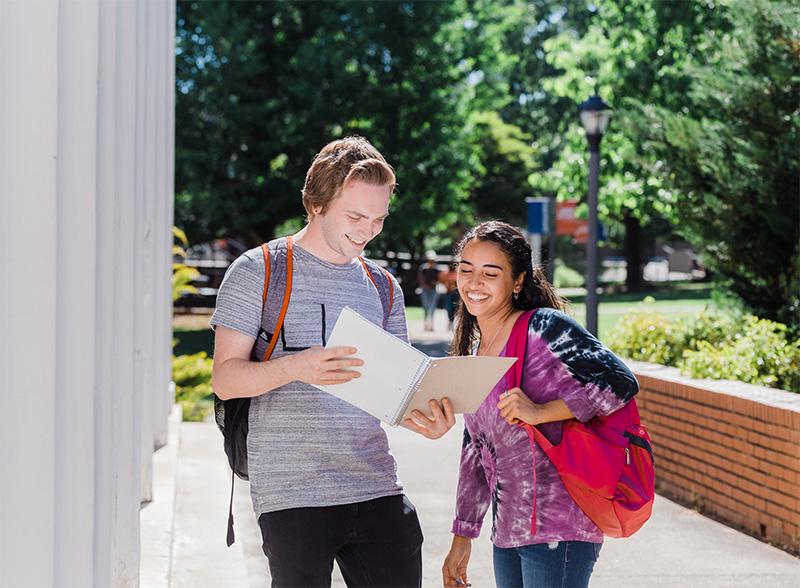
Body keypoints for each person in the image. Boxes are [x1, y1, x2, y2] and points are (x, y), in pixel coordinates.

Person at [211, 136, 456, 588]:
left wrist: (425, 420)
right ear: (315, 204)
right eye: (356, 216)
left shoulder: (383, 286)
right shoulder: (259, 270)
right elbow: (226, 380)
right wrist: (296, 367)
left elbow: (394, 394)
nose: (368, 230)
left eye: (379, 218)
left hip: (375, 482)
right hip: (292, 492)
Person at [441, 221, 639, 588]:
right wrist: (462, 536)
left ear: (517, 282)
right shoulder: (476, 351)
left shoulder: (542, 328)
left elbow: (620, 381)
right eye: (465, 270)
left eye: (490, 273)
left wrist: (541, 412)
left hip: (560, 527)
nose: (473, 283)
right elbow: (475, 450)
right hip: (509, 531)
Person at [417, 250, 441, 331]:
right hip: (425, 290)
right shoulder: (423, 268)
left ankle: (431, 325)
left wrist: (435, 283)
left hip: (433, 290)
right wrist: (425, 286)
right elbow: (421, 279)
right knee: (426, 307)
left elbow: (439, 279)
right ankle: (426, 324)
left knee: (432, 307)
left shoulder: (437, 269)